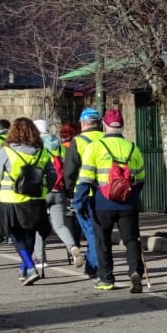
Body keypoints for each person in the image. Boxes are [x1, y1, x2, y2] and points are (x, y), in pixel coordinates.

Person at [84, 110, 147, 292]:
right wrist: (131, 196)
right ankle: (135, 272)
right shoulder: (133, 148)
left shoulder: (95, 147)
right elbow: (141, 178)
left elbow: (86, 177)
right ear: (123, 126)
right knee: (131, 239)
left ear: (104, 125)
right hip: (127, 203)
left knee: (102, 240)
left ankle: (106, 278)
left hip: (102, 203)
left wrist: (80, 201)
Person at [0, 117, 53, 286]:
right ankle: (23, 268)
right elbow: (52, 175)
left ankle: (30, 268)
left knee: (16, 235)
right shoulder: (42, 152)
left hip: (12, 199)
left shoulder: (7, 151)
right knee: (30, 234)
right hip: (35, 199)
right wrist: (45, 190)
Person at [66, 109, 106, 278]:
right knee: (98, 231)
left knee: (90, 232)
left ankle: (96, 266)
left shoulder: (78, 141)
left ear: (82, 124)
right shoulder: (108, 139)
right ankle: (91, 266)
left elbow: (70, 170)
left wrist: (69, 191)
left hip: (84, 193)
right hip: (106, 193)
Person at [41, 121, 84, 276]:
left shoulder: (37, 148)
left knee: (38, 226)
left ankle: (40, 259)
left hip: (42, 191)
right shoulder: (60, 147)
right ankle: (72, 246)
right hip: (59, 190)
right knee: (60, 225)